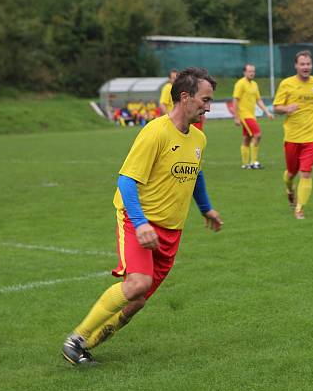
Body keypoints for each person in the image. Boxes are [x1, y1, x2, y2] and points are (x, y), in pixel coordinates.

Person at [61, 67, 224, 366]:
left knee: (137, 302)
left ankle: (84, 349)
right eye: (205, 99)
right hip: (139, 222)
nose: (208, 107)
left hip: (172, 232)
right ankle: (76, 339)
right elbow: (126, 180)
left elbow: (196, 177)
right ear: (185, 97)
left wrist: (206, 208)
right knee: (136, 284)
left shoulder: (199, 139)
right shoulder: (155, 132)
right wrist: (140, 223)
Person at [272, 50, 313, 220]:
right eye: (302, 64)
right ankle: (289, 188)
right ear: (296, 66)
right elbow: (276, 107)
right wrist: (286, 108)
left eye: (308, 64)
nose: (306, 67)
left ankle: (299, 208)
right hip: (292, 136)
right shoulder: (286, 84)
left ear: (311, 65)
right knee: (291, 172)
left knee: (306, 172)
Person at [232, 64, 274, 169]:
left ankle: (245, 164)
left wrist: (267, 112)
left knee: (247, 138)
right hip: (244, 115)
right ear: (244, 72)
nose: (252, 73)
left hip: (251, 115)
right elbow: (235, 100)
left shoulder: (254, 84)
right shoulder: (240, 84)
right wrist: (236, 117)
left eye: (253, 71)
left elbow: (258, 100)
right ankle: (254, 162)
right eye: (250, 71)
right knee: (257, 135)